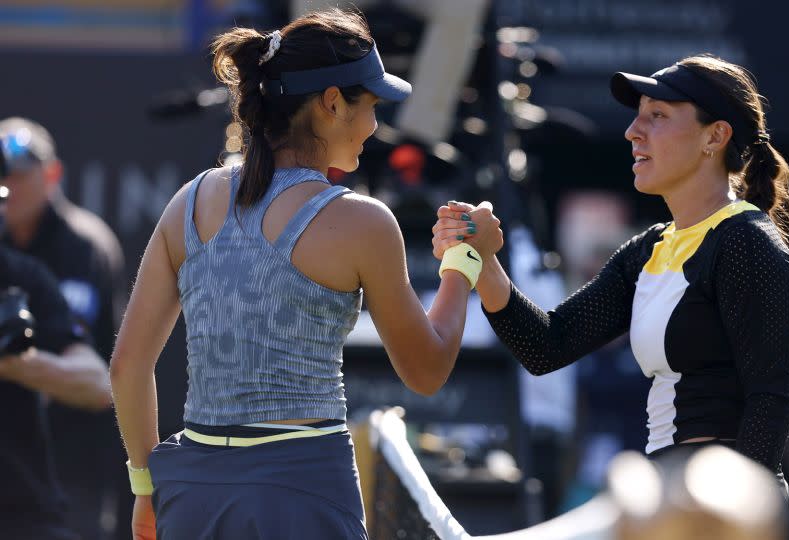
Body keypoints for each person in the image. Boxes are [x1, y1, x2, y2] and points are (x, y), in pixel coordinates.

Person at [109, 8, 502, 540]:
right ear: (332, 103)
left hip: (191, 493)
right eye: (370, 106)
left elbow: (128, 367)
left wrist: (144, 486)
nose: (375, 126)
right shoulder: (364, 223)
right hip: (305, 493)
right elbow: (426, 370)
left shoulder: (188, 202)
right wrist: (463, 260)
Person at [435, 54, 789, 539]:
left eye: (658, 116)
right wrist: (483, 260)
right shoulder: (647, 249)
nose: (633, 131)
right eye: (638, 115)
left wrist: (721, 518)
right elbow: (547, 345)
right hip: (669, 500)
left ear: (715, 136)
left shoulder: (746, 242)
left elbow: (770, 401)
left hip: (717, 515)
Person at [0, 116, 126, 539]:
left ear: (51, 174)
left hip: (69, 467)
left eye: (17, 175)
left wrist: (12, 361)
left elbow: (93, 378)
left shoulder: (81, 245)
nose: (8, 187)